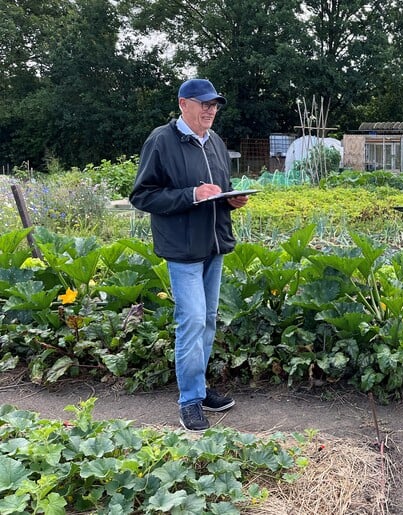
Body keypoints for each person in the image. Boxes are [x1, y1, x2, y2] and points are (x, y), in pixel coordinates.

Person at [130, 78, 249, 432]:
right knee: (192, 320)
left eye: (214, 104)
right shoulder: (161, 141)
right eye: (204, 103)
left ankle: (198, 389)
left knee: (208, 320)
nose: (211, 110)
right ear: (184, 104)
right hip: (182, 249)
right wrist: (191, 195)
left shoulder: (215, 143)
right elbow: (143, 196)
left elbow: (218, 191)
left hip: (214, 245)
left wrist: (231, 199)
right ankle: (189, 401)